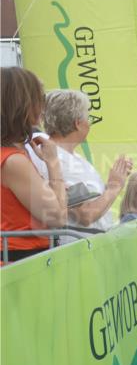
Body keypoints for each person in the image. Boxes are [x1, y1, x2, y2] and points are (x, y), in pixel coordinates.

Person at [37, 90, 132, 233]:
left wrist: (113, 182)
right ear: (77, 123)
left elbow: (90, 202)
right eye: (89, 118)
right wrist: (115, 185)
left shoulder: (67, 156)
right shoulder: (60, 160)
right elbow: (86, 215)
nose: (89, 124)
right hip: (81, 243)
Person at [0, 67, 67, 262]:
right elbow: (56, 217)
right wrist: (53, 163)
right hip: (22, 262)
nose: (43, 107)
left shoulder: (13, 156)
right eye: (40, 98)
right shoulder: (13, 161)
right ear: (23, 105)